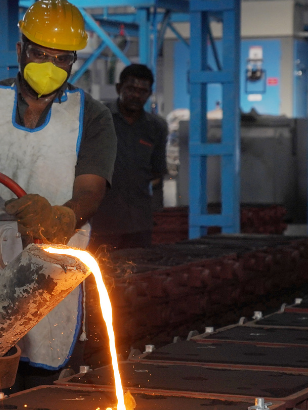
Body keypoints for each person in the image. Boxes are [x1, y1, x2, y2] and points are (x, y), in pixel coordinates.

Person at [0, 0, 117, 393]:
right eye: (40, 53)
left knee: (35, 386)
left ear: (73, 62)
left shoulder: (91, 117)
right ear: (21, 49)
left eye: (61, 58)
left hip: (46, 274)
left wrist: (61, 219)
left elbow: (90, 191)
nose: (49, 65)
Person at [84, 64, 168, 368]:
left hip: (138, 223)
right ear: (119, 87)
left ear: (149, 93)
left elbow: (158, 172)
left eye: (143, 90)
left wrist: (155, 212)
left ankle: (132, 344)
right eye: (131, 88)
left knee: (136, 286)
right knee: (100, 287)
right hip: (101, 222)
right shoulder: (99, 118)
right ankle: (97, 348)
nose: (136, 94)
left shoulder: (156, 128)